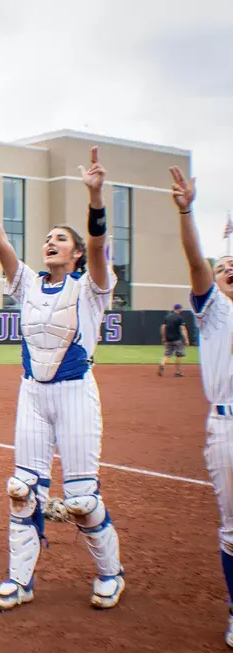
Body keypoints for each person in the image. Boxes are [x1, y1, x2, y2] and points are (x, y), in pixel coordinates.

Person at [0, 150, 124, 611]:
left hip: (75, 394)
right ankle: (19, 580)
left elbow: (98, 245)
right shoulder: (27, 282)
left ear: (74, 253)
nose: (50, 243)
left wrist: (94, 196)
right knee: (21, 490)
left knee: (82, 499)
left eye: (59, 239)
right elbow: (0, 242)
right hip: (33, 393)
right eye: (47, 238)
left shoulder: (91, 287)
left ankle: (111, 573)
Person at [170, 166, 233, 647]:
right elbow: (196, 264)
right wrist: (188, 211)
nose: (226, 268)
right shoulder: (215, 312)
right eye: (223, 264)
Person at [159, 303, 190, 377]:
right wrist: (186, 339)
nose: (181, 310)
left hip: (168, 339)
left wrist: (163, 337)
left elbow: (163, 327)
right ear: (178, 310)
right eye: (180, 309)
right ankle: (178, 372)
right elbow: (183, 329)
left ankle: (162, 364)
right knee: (179, 355)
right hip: (177, 339)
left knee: (167, 354)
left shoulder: (167, 317)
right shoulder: (180, 318)